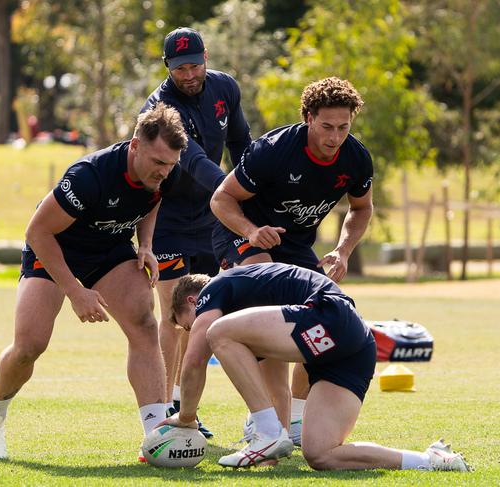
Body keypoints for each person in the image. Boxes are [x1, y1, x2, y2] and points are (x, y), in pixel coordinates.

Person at [0, 102, 187, 460]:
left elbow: (152, 201)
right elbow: (37, 231)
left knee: (143, 320)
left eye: (170, 165)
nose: (164, 172)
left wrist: (147, 245)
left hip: (107, 248)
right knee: (30, 345)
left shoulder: (165, 173)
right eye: (157, 163)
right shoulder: (88, 176)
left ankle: (156, 433)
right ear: (135, 145)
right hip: (55, 246)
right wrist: (75, 291)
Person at [164, 262, 471, 471]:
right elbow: (277, 392)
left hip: (330, 315)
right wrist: (271, 449)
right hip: (354, 346)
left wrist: (187, 416)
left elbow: (193, 362)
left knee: (217, 332)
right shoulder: (253, 329)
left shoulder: (213, 292)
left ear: (193, 301)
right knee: (321, 454)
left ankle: (267, 433)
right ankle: (431, 460)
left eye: (188, 327)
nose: (193, 334)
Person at [210, 76, 374, 444]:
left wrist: (344, 249)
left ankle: (295, 420)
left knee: (319, 311)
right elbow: (221, 199)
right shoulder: (273, 150)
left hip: (295, 243)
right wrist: (252, 231)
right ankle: (265, 418)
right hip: (241, 229)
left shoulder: (355, 158)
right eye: (327, 126)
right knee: (267, 296)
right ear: (308, 119)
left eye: (343, 127)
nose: (335, 137)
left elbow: (361, 208)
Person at [141, 26, 251, 437]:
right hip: (167, 217)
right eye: (179, 68)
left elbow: (241, 142)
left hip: (210, 220)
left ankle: (188, 409)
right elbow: (196, 162)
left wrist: (252, 184)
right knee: (173, 315)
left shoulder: (225, 88)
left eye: (194, 64)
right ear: (167, 67)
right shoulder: (161, 106)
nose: (188, 74)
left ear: (206, 57)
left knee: (200, 316)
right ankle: (165, 406)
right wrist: (235, 194)